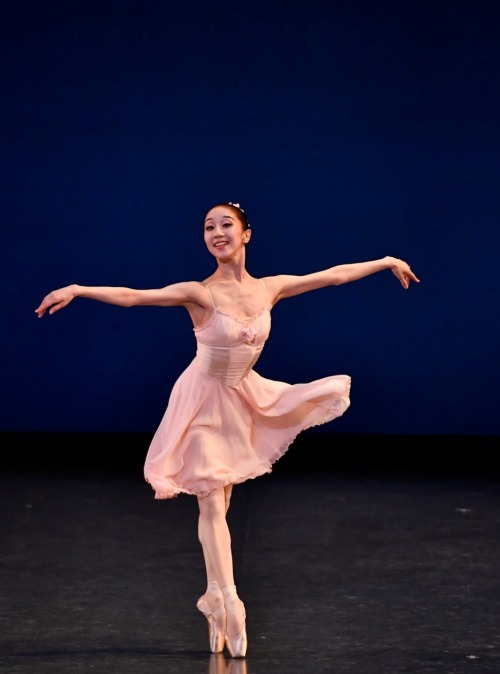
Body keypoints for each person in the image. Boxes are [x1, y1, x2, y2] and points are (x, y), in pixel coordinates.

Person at [35, 201, 420, 658]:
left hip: (242, 399)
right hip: (200, 403)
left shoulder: (270, 288)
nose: (216, 233)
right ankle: (232, 604)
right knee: (212, 500)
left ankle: (214, 599)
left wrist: (386, 261)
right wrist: (78, 289)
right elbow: (136, 295)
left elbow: (332, 275)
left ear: (246, 234)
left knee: (221, 499)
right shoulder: (199, 293)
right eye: (208, 227)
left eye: (225, 225)